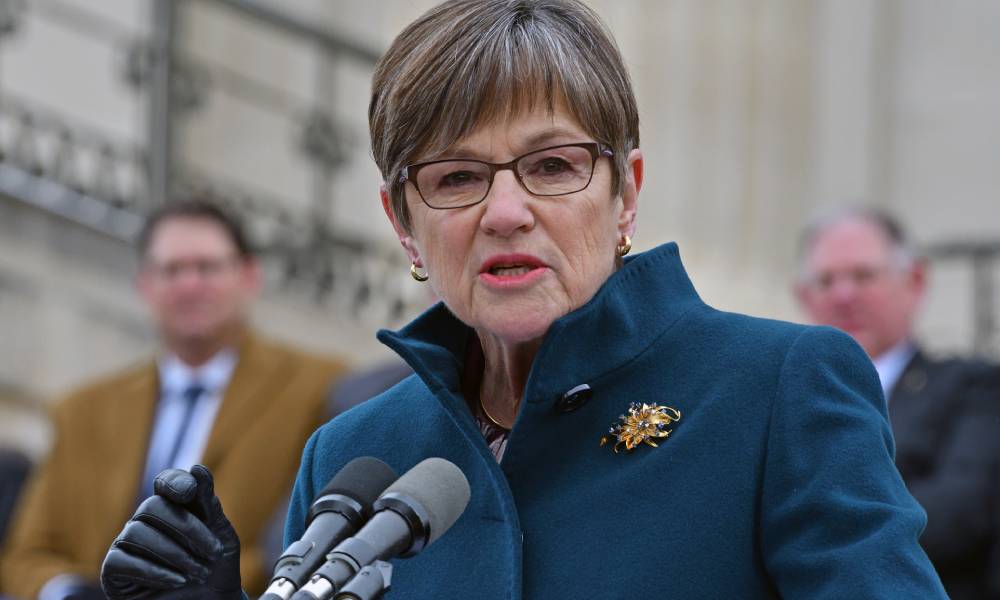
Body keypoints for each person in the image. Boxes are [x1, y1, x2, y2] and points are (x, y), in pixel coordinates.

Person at [100, 1, 947, 598]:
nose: (507, 213)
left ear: (626, 194)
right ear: (403, 222)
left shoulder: (778, 388)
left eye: (552, 166)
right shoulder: (354, 453)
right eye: (457, 177)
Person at [0, 200, 348, 599]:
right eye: (172, 270)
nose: (189, 284)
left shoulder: (319, 387)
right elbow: (27, 554)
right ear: (145, 284)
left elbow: (304, 539)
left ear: (249, 276)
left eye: (207, 267)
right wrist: (70, 592)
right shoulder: (83, 409)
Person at [795, 207, 1000, 599]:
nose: (844, 294)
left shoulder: (974, 388)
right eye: (825, 280)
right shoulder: (781, 396)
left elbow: (958, 511)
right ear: (803, 296)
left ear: (916, 281)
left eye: (863, 275)